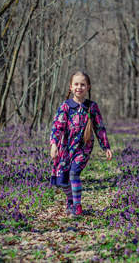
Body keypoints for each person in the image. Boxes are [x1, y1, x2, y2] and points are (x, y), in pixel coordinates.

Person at [50, 71, 113, 218]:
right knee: (63, 179)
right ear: (71, 87)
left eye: (83, 84)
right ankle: (70, 199)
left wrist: (106, 147)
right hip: (65, 148)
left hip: (83, 148)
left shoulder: (92, 107)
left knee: (74, 174)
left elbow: (99, 128)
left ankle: (77, 205)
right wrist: (54, 144)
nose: (79, 87)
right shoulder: (66, 106)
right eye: (76, 84)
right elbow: (57, 126)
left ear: (88, 87)